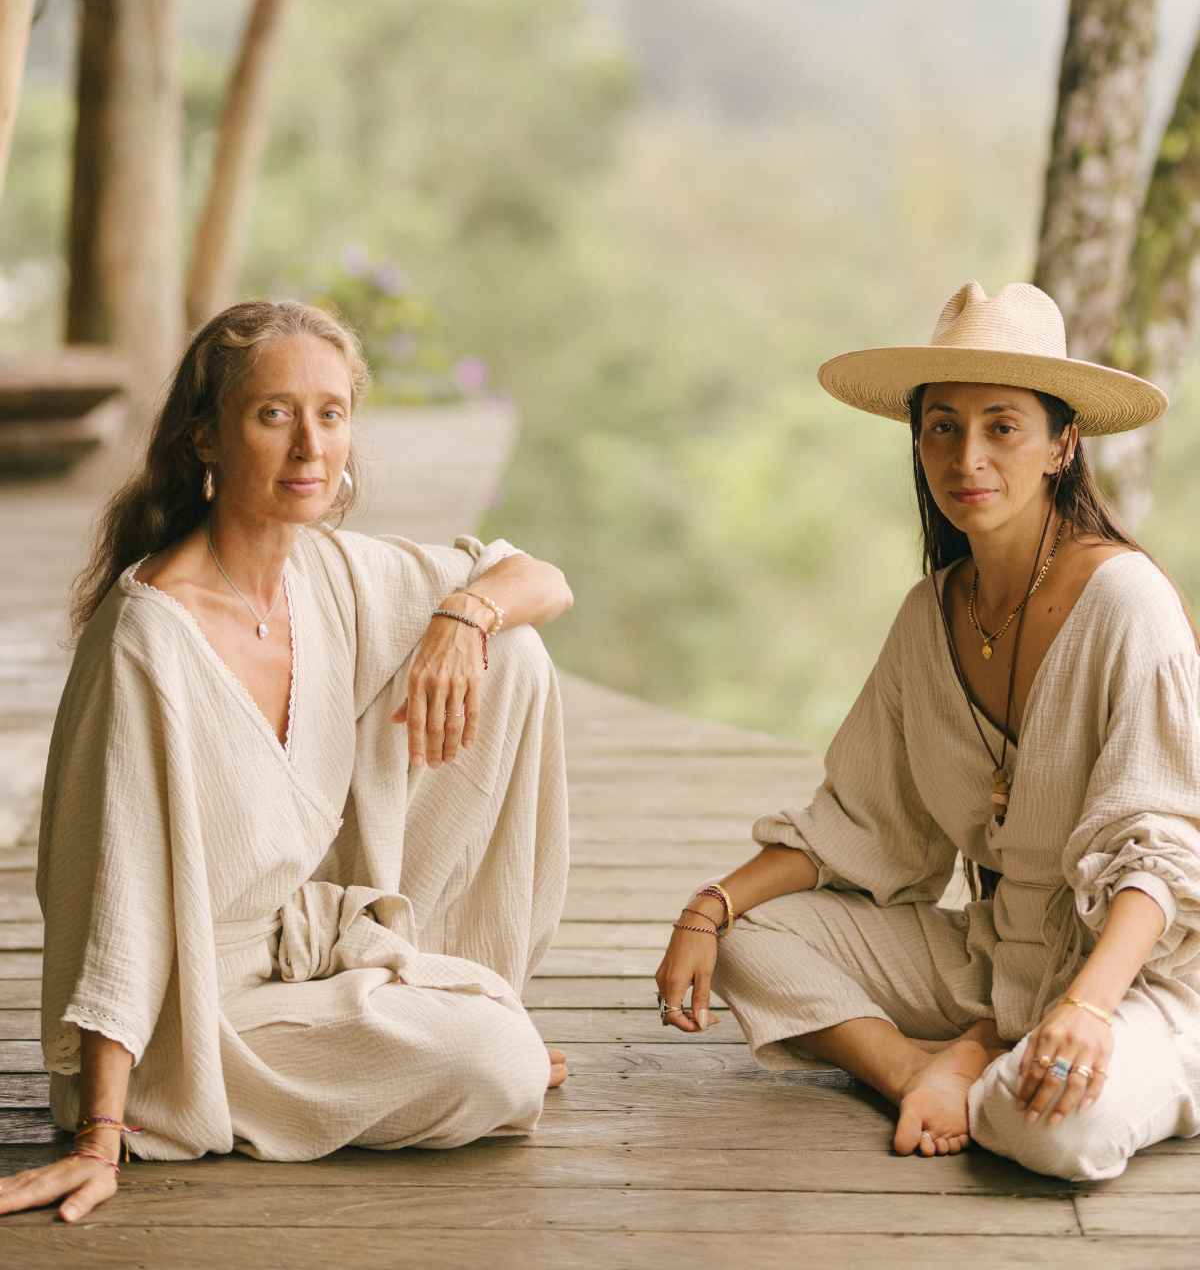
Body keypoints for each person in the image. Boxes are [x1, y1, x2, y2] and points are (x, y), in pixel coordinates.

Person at [0, 300, 572, 1225]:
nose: (311, 446)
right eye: (274, 415)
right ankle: (459, 1033)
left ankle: (461, 1001)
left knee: (510, 655)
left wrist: (462, 619)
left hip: (299, 950)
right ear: (206, 440)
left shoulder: (327, 572)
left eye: (332, 414)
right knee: (499, 1068)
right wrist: (99, 1134)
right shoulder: (150, 636)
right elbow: (114, 891)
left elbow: (540, 579)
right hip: (192, 1015)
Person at [655, 280, 1200, 1182]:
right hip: (1000, 955)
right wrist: (707, 909)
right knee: (755, 937)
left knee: (1049, 1131)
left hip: (1142, 976)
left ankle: (994, 1065)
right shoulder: (930, 614)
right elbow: (857, 823)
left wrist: (1090, 1009)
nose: (967, 457)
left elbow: (1169, 848)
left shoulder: (1125, 602)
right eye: (942, 426)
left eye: (1002, 426)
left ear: (1064, 443)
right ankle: (924, 1066)